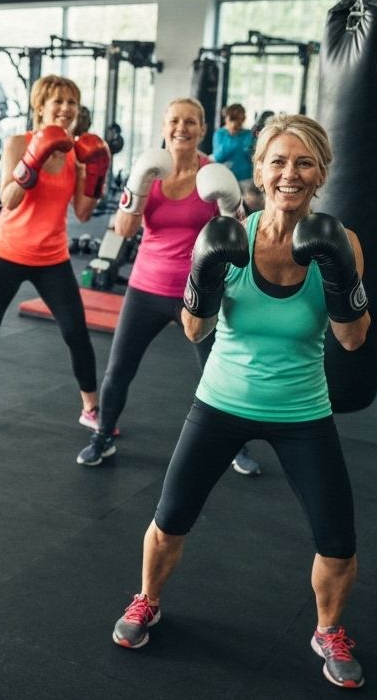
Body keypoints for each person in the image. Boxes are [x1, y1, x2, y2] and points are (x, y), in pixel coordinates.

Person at [112, 113, 370, 689]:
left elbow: (353, 339)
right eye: (277, 161)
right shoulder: (230, 235)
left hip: (303, 408)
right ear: (259, 169)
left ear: (321, 172)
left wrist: (338, 272)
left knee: (339, 538)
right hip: (221, 400)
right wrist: (202, 273)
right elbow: (194, 332)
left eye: (304, 162)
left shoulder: (341, 240)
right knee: (170, 518)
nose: (290, 174)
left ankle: (328, 628)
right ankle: (147, 598)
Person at [77, 98, 261, 477]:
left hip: (199, 291)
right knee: (119, 369)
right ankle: (103, 436)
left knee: (217, 370)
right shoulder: (150, 171)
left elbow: (238, 240)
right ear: (164, 128)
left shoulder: (215, 174)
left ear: (203, 128)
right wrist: (138, 184)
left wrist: (231, 204)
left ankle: (235, 445)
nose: (182, 127)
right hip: (146, 287)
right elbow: (124, 231)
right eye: (175, 120)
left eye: (191, 121)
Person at [0, 75, 111, 432]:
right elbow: (8, 200)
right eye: (57, 101)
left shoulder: (77, 153)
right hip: (7, 252)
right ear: (40, 107)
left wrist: (96, 174)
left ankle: (91, 408)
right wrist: (36, 157)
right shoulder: (19, 143)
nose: (64, 109)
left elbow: (84, 213)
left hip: (52, 257)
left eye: (71, 103)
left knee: (76, 332)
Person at [212, 102, 260, 211]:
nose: (236, 123)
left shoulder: (248, 134)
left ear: (243, 119)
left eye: (239, 119)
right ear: (227, 119)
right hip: (226, 178)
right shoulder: (220, 134)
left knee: (247, 208)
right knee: (227, 208)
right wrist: (231, 136)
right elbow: (218, 157)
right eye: (233, 119)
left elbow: (253, 156)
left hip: (246, 178)